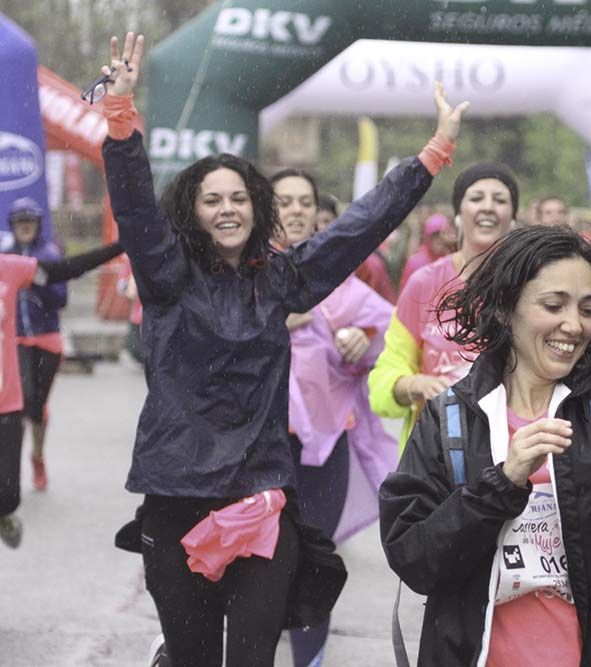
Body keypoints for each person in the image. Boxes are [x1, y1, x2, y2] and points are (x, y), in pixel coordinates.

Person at [97, 32, 468, 666]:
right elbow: (134, 209)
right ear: (193, 211)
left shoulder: (281, 279)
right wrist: (122, 117)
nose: (227, 209)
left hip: (261, 497)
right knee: (191, 658)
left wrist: (432, 155)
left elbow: (357, 228)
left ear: (256, 207)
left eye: (239, 197)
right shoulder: (165, 275)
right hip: (175, 495)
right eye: (212, 199)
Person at [380, 224, 591, 665]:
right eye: (554, 305)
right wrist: (503, 481)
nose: (574, 325)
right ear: (505, 307)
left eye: (588, 309)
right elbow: (415, 556)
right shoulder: (450, 418)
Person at [272, 167, 396, 667]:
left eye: (305, 201)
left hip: (325, 448)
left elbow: (388, 339)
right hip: (257, 448)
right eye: (284, 201)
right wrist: (275, 320)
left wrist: (363, 344)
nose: (296, 209)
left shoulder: (339, 284)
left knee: (315, 562)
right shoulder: (239, 278)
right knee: (260, 563)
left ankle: (310, 662)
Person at [369, 161, 518, 450]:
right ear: (459, 215)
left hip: (510, 450)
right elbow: (387, 373)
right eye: (476, 198)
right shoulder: (424, 283)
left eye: (500, 200)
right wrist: (415, 385)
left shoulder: (530, 285)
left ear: (512, 218)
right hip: (434, 454)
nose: (488, 207)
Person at [0, 224, 123, 547]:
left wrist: (120, 247)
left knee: (8, 496)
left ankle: (5, 513)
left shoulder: (8, 268)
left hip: (6, 402)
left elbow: (62, 271)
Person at [4, 198, 67, 491]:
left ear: (38, 224)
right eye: (20, 221)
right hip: (15, 341)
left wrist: (34, 280)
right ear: (13, 225)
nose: (25, 225)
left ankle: (37, 456)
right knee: (22, 401)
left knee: (37, 406)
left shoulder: (49, 254)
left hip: (47, 339)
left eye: (30, 220)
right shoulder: (5, 256)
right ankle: (11, 466)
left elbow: (61, 299)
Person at [399, 212, 456, 291]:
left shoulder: (454, 260)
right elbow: (405, 295)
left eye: (442, 236)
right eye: (434, 236)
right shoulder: (415, 262)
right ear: (427, 237)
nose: (439, 240)